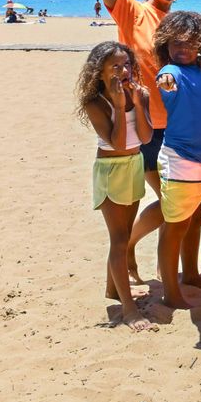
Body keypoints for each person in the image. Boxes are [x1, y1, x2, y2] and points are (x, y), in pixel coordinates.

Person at [41, 0, 189, 280]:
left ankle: (131, 250)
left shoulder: (178, 25)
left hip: (169, 125)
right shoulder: (130, 10)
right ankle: (125, 258)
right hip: (139, 130)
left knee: (175, 200)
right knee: (157, 201)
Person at [153, 11, 201, 309]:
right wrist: (167, 78)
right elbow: (165, 79)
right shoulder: (172, 71)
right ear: (166, 47)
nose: (182, 49)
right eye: (175, 44)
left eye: (189, 43)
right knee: (176, 224)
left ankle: (190, 274)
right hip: (182, 160)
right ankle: (170, 289)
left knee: (198, 216)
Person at [75, 41, 154, 330]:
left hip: (133, 164)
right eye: (115, 67)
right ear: (99, 72)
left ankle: (113, 289)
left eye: (126, 65)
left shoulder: (139, 94)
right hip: (110, 169)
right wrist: (120, 107)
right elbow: (117, 142)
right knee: (120, 239)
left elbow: (144, 138)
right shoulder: (94, 103)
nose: (123, 71)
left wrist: (138, 101)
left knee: (123, 233)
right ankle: (129, 309)